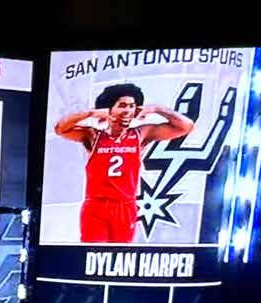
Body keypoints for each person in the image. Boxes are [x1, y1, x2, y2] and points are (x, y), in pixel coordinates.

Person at [53, 83, 194, 243]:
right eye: (122, 105)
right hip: (96, 206)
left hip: (125, 206)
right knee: (93, 253)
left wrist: (157, 109)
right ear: (109, 109)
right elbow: (60, 128)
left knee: (120, 253)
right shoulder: (93, 135)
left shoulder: (140, 134)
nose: (128, 110)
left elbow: (186, 126)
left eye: (132, 106)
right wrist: (91, 113)